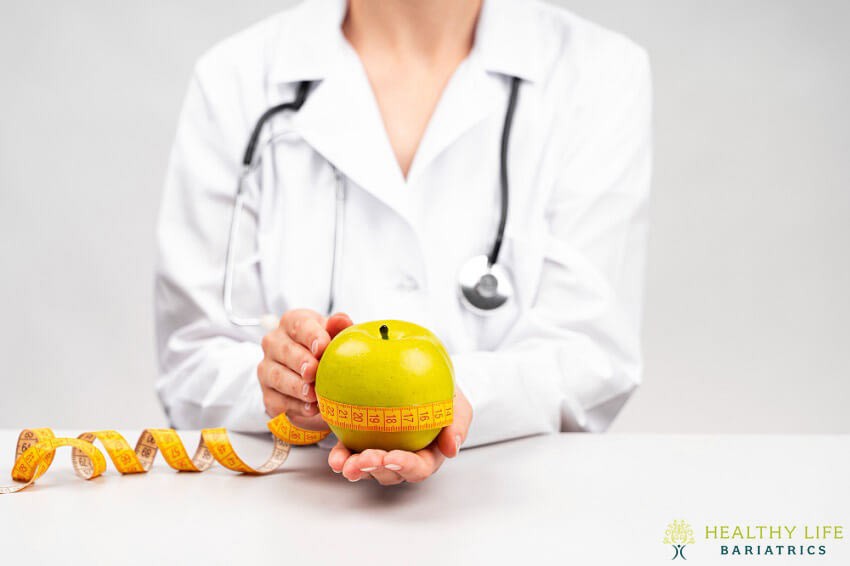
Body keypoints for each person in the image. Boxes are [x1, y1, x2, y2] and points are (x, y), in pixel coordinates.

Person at [155, 0, 652, 485]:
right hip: (292, 514)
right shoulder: (235, 78)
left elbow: (591, 357)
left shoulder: (598, 73)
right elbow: (191, 361)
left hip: (506, 510)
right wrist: (280, 390)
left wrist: (449, 401)